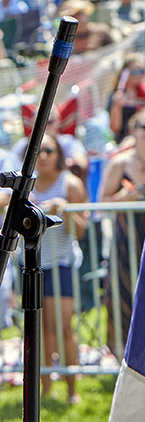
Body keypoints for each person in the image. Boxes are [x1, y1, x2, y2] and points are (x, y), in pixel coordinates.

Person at [0, 135, 88, 403]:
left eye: (49, 150)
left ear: (58, 154)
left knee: (63, 328)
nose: (43, 156)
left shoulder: (70, 183)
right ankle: (45, 390)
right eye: (37, 151)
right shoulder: (24, 187)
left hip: (62, 265)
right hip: (32, 265)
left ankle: (72, 390)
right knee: (40, 329)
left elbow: (81, 231)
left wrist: (65, 211)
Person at [98, 109, 145, 356]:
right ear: (133, 131)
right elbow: (101, 203)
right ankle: (123, 357)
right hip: (126, 242)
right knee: (121, 299)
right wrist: (124, 197)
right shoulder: (120, 163)